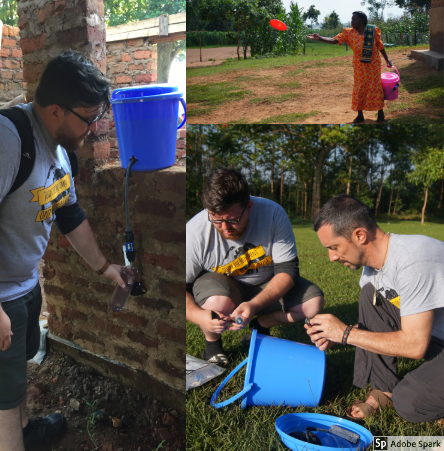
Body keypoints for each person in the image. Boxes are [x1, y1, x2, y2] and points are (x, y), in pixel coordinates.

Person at [0, 50, 127, 451]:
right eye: (88, 118)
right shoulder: (4, 139)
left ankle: (26, 430)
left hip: (24, 286)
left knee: (17, 373)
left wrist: (107, 269)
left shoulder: (57, 147)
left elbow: (69, 215)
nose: (94, 127)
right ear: (55, 110)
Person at [307, 194, 444, 422]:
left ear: (360, 235)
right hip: (435, 335)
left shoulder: (414, 261)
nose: (331, 257)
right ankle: (383, 390)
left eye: (334, 247)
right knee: (370, 294)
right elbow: (381, 323)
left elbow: (415, 345)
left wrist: (346, 334)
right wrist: (339, 337)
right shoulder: (373, 269)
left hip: (426, 339)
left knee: (410, 401)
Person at [186, 168, 324, 365]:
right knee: (217, 304)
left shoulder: (273, 214)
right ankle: (213, 346)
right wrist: (199, 316)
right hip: (223, 285)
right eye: (216, 220)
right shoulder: (194, 233)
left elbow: (288, 271)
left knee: (312, 304)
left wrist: (254, 305)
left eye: (233, 219)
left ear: (249, 207)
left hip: (267, 281)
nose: (225, 228)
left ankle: (260, 324)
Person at [307, 11, 393, 124]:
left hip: (373, 65)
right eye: (351, 19)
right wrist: (320, 38)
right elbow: (334, 40)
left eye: (354, 19)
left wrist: (387, 60)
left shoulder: (372, 30)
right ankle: (360, 115)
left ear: (361, 21)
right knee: (359, 88)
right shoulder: (348, 33)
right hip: (359, 66)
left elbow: (380, 46)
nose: (352, 21)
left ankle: (380, 113)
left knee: (375, 87)